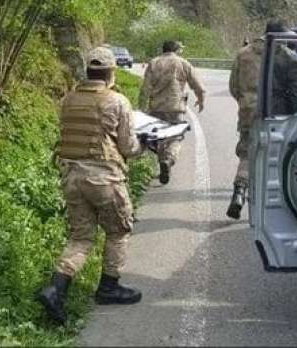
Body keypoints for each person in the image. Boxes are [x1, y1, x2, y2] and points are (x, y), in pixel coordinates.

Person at [37, 46, 150, 325]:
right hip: (104, 179)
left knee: (81, 237)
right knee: (118, 230)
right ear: (111, 72)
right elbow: (127, 145)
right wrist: (144, 145)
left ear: (87, 71)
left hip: (71, 177)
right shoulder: (117, 101)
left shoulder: (68, 99)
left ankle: (56, 289)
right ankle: (109, 287)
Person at [226, 20, 297, 220]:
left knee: (247, 153)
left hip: (248, 111)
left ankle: (239, 192)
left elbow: (234, 87)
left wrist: (246, 102)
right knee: (276, 158)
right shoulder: (287, 56)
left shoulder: (243, 53)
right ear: (282, 36)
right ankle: (271, 204)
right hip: (276, 114)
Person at [138, 40, 205, 184]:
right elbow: (197, 85)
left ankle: (163, 162)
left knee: (160, 137)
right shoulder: (183, 63)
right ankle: (168, 160)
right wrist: (201, 99)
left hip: (156, 107)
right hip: (175, 107)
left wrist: (142, 109)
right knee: (175, 137)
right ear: (176, 50)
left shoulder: (154, 63)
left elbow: (145, 89)